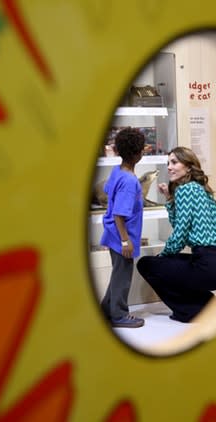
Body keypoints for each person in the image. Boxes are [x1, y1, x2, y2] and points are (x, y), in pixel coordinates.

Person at [137, 146, 216, 323]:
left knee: (146, 265)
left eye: (174, 162)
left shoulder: (185, 190)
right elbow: (181, 225)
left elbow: (180, 234)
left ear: (188, 167)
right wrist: (168, 197)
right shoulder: (199, 189)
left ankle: (190, 311)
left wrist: (162, 256)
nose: (169, 167)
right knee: (169, 264)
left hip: (206, 266)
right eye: (168, 163)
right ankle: (206, 304)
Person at [100, 128, 146, 328]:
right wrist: (126, 240)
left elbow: (106, 189)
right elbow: (120, 213)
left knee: (118, 274)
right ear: (138, 154)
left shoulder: (117, 171)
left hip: (112, 234)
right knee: (123, 276)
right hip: (122, 237)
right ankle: (119, 315)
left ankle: (106, 310)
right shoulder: (129, 181)